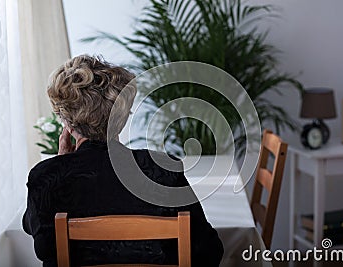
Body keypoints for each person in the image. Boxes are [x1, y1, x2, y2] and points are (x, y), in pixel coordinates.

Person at [22, 55, 223, 266]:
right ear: (123, 117)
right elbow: (209, 252)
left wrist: (60, 165)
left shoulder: (46, 177)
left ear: (66, 123)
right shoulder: (163, 169)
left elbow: (42, 244)